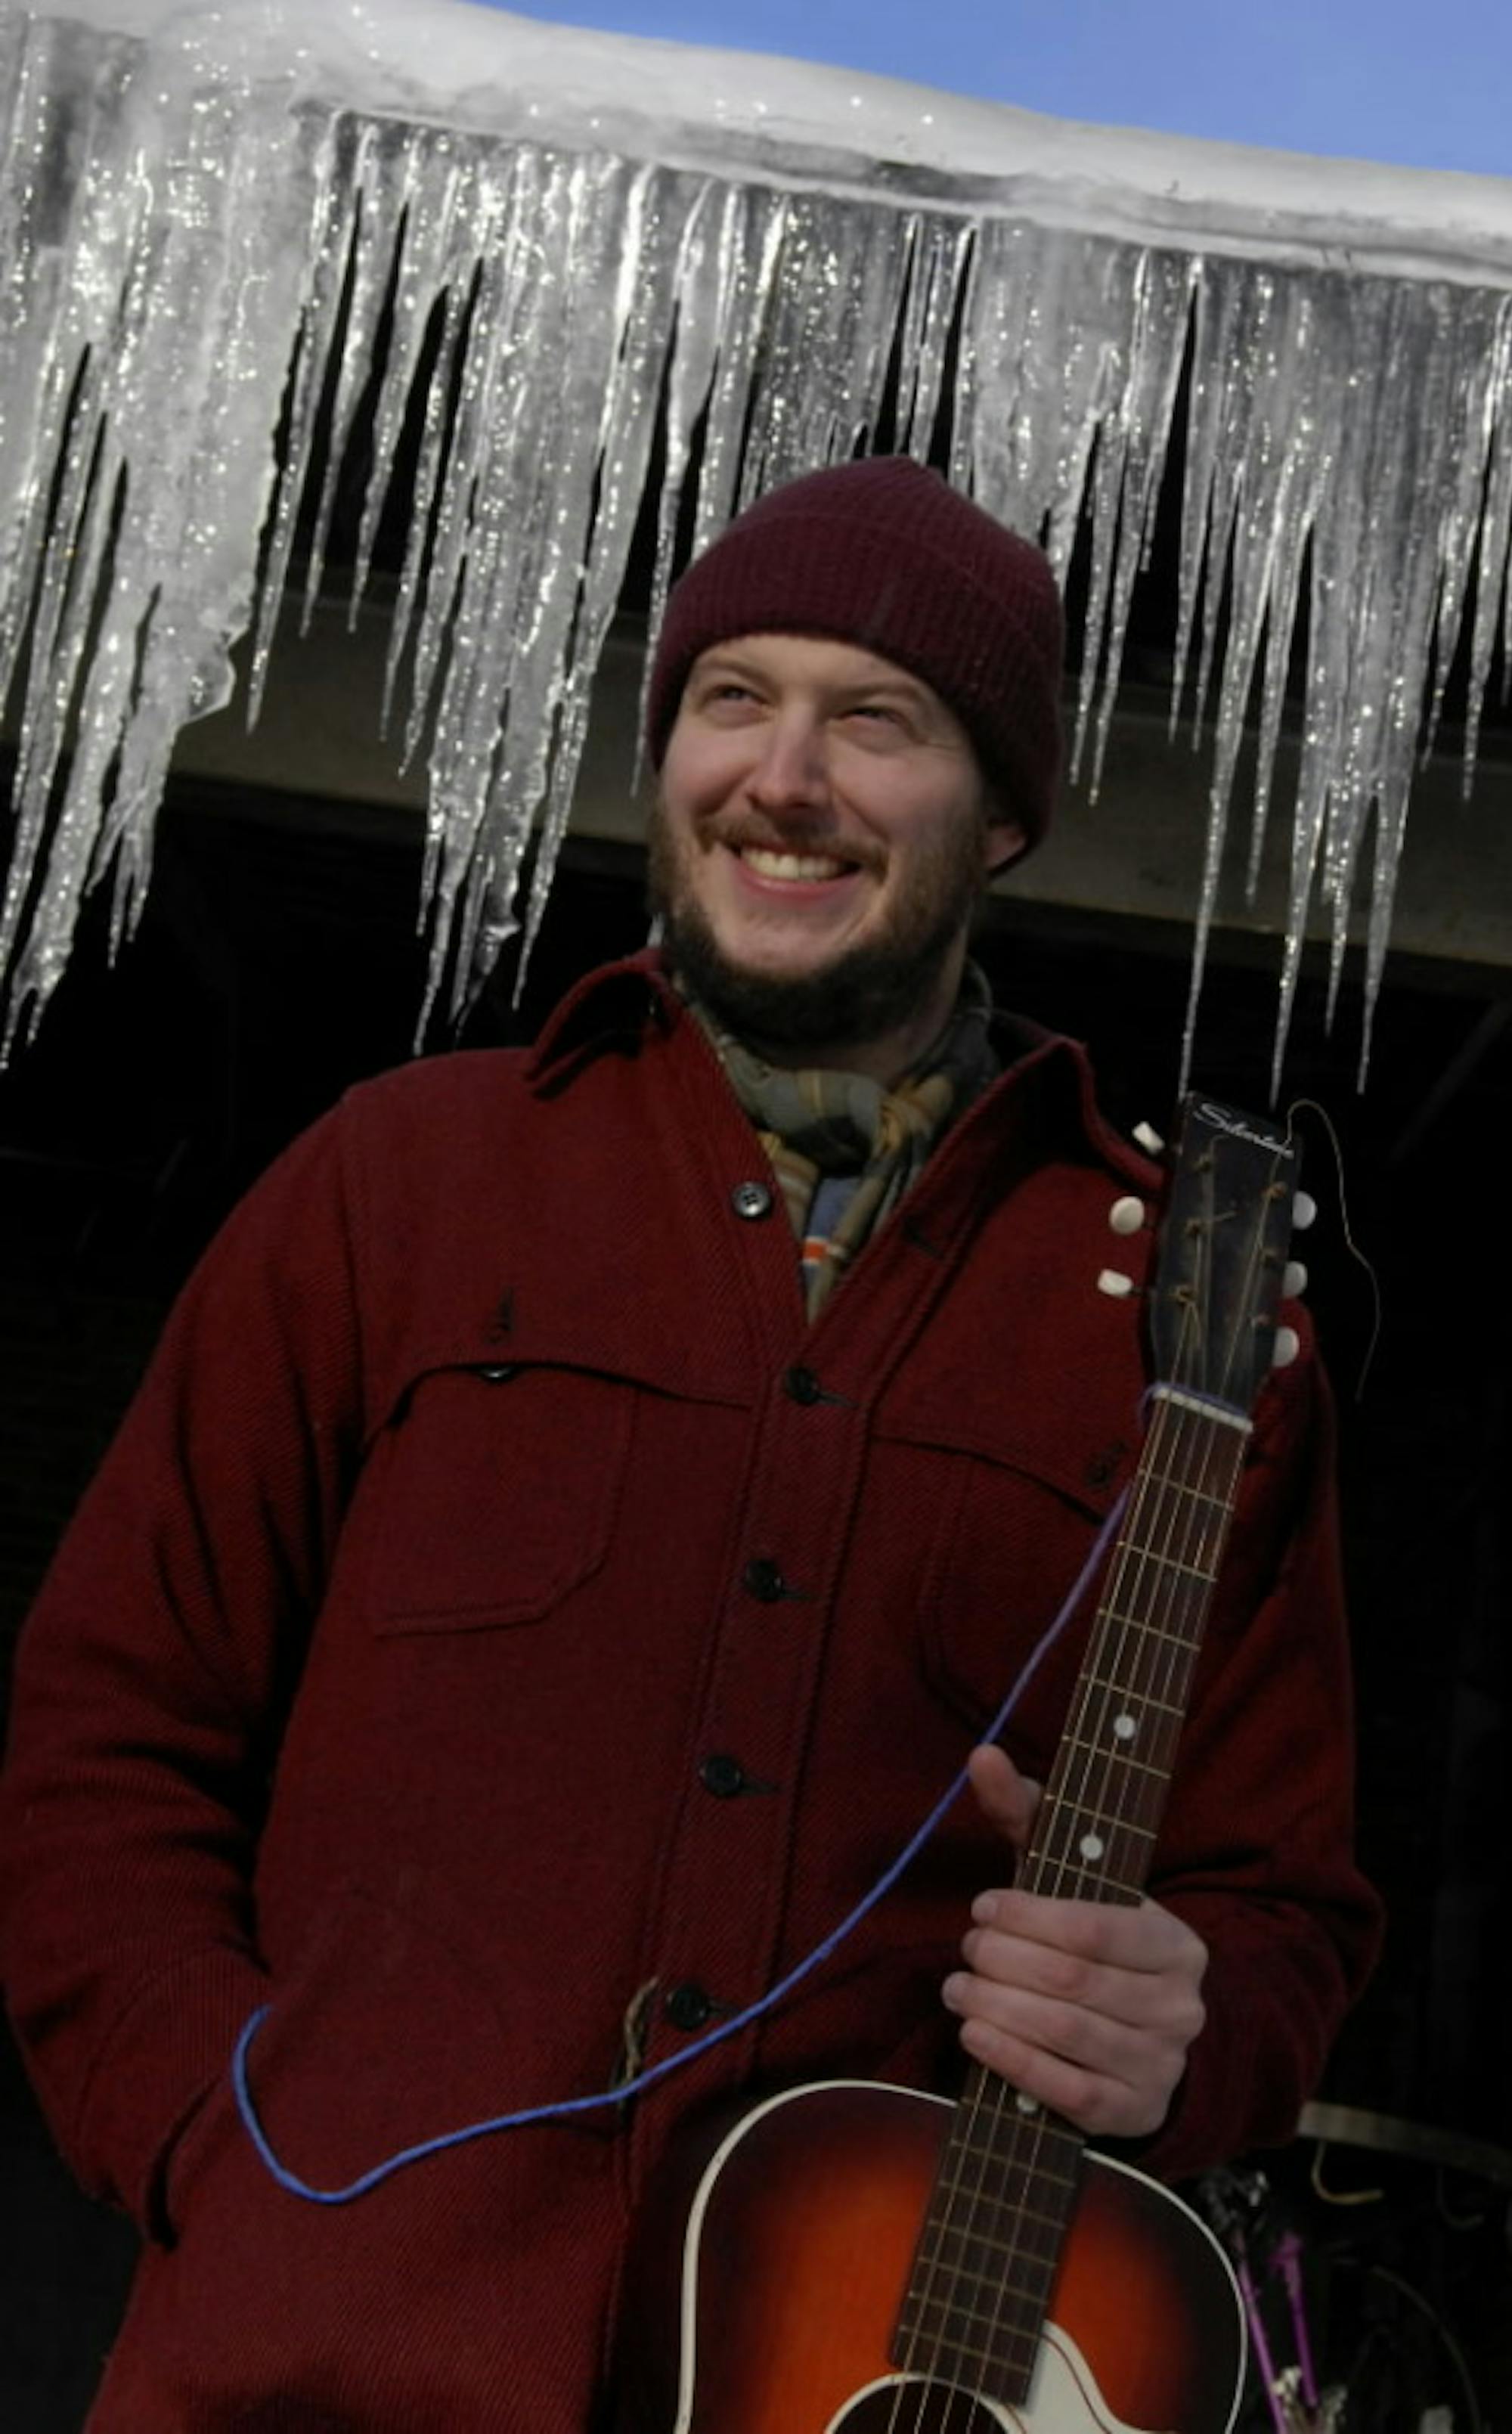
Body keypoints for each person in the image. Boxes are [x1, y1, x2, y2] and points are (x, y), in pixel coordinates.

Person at [0, 457, 1380, 2432]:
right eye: (731, 698)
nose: (783, 776)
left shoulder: (1184, 1319)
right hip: (319, 2364)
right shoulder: (398, 1187)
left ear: (1002, 809)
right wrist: (212, 2131)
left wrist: (1191, 2021)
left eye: (874, 719)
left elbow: (1284, 1900)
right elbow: (107, 1734)